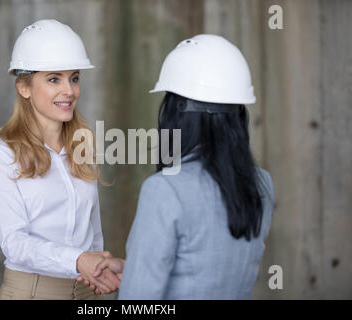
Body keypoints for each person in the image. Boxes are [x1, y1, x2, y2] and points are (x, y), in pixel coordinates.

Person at [93, 34, 274, 299]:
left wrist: (138, 278)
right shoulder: (261, 184)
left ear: (176, 114)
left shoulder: (165, 189)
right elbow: (211, 266)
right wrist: (134, 270)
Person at [0, 19, 121, 300]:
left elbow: (93, 232)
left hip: (87, 293)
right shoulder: (0, 154)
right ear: (24, 87)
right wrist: (79, 260)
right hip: (31, 292)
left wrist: (98, 269)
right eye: (54, 79)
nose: (69, 90)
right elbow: (15, 243)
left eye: (74, 78)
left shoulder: (83, 148)